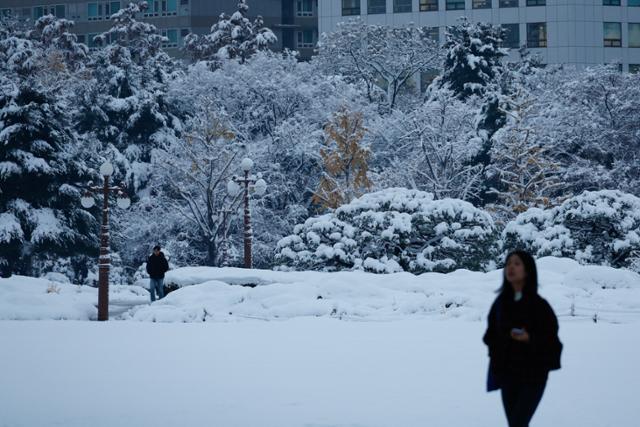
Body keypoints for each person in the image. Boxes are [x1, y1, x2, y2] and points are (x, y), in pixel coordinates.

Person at [483, 250, 563, 427]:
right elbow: (489, 336)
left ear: (528, 271)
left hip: (533, 376)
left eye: (517, 263)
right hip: (507, 374)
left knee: (518, 423)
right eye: (508, 263)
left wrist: (529, 338)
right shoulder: (500, 304)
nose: (511, 267)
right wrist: (505, 338)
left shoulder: (539, 306)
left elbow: (552, 341)